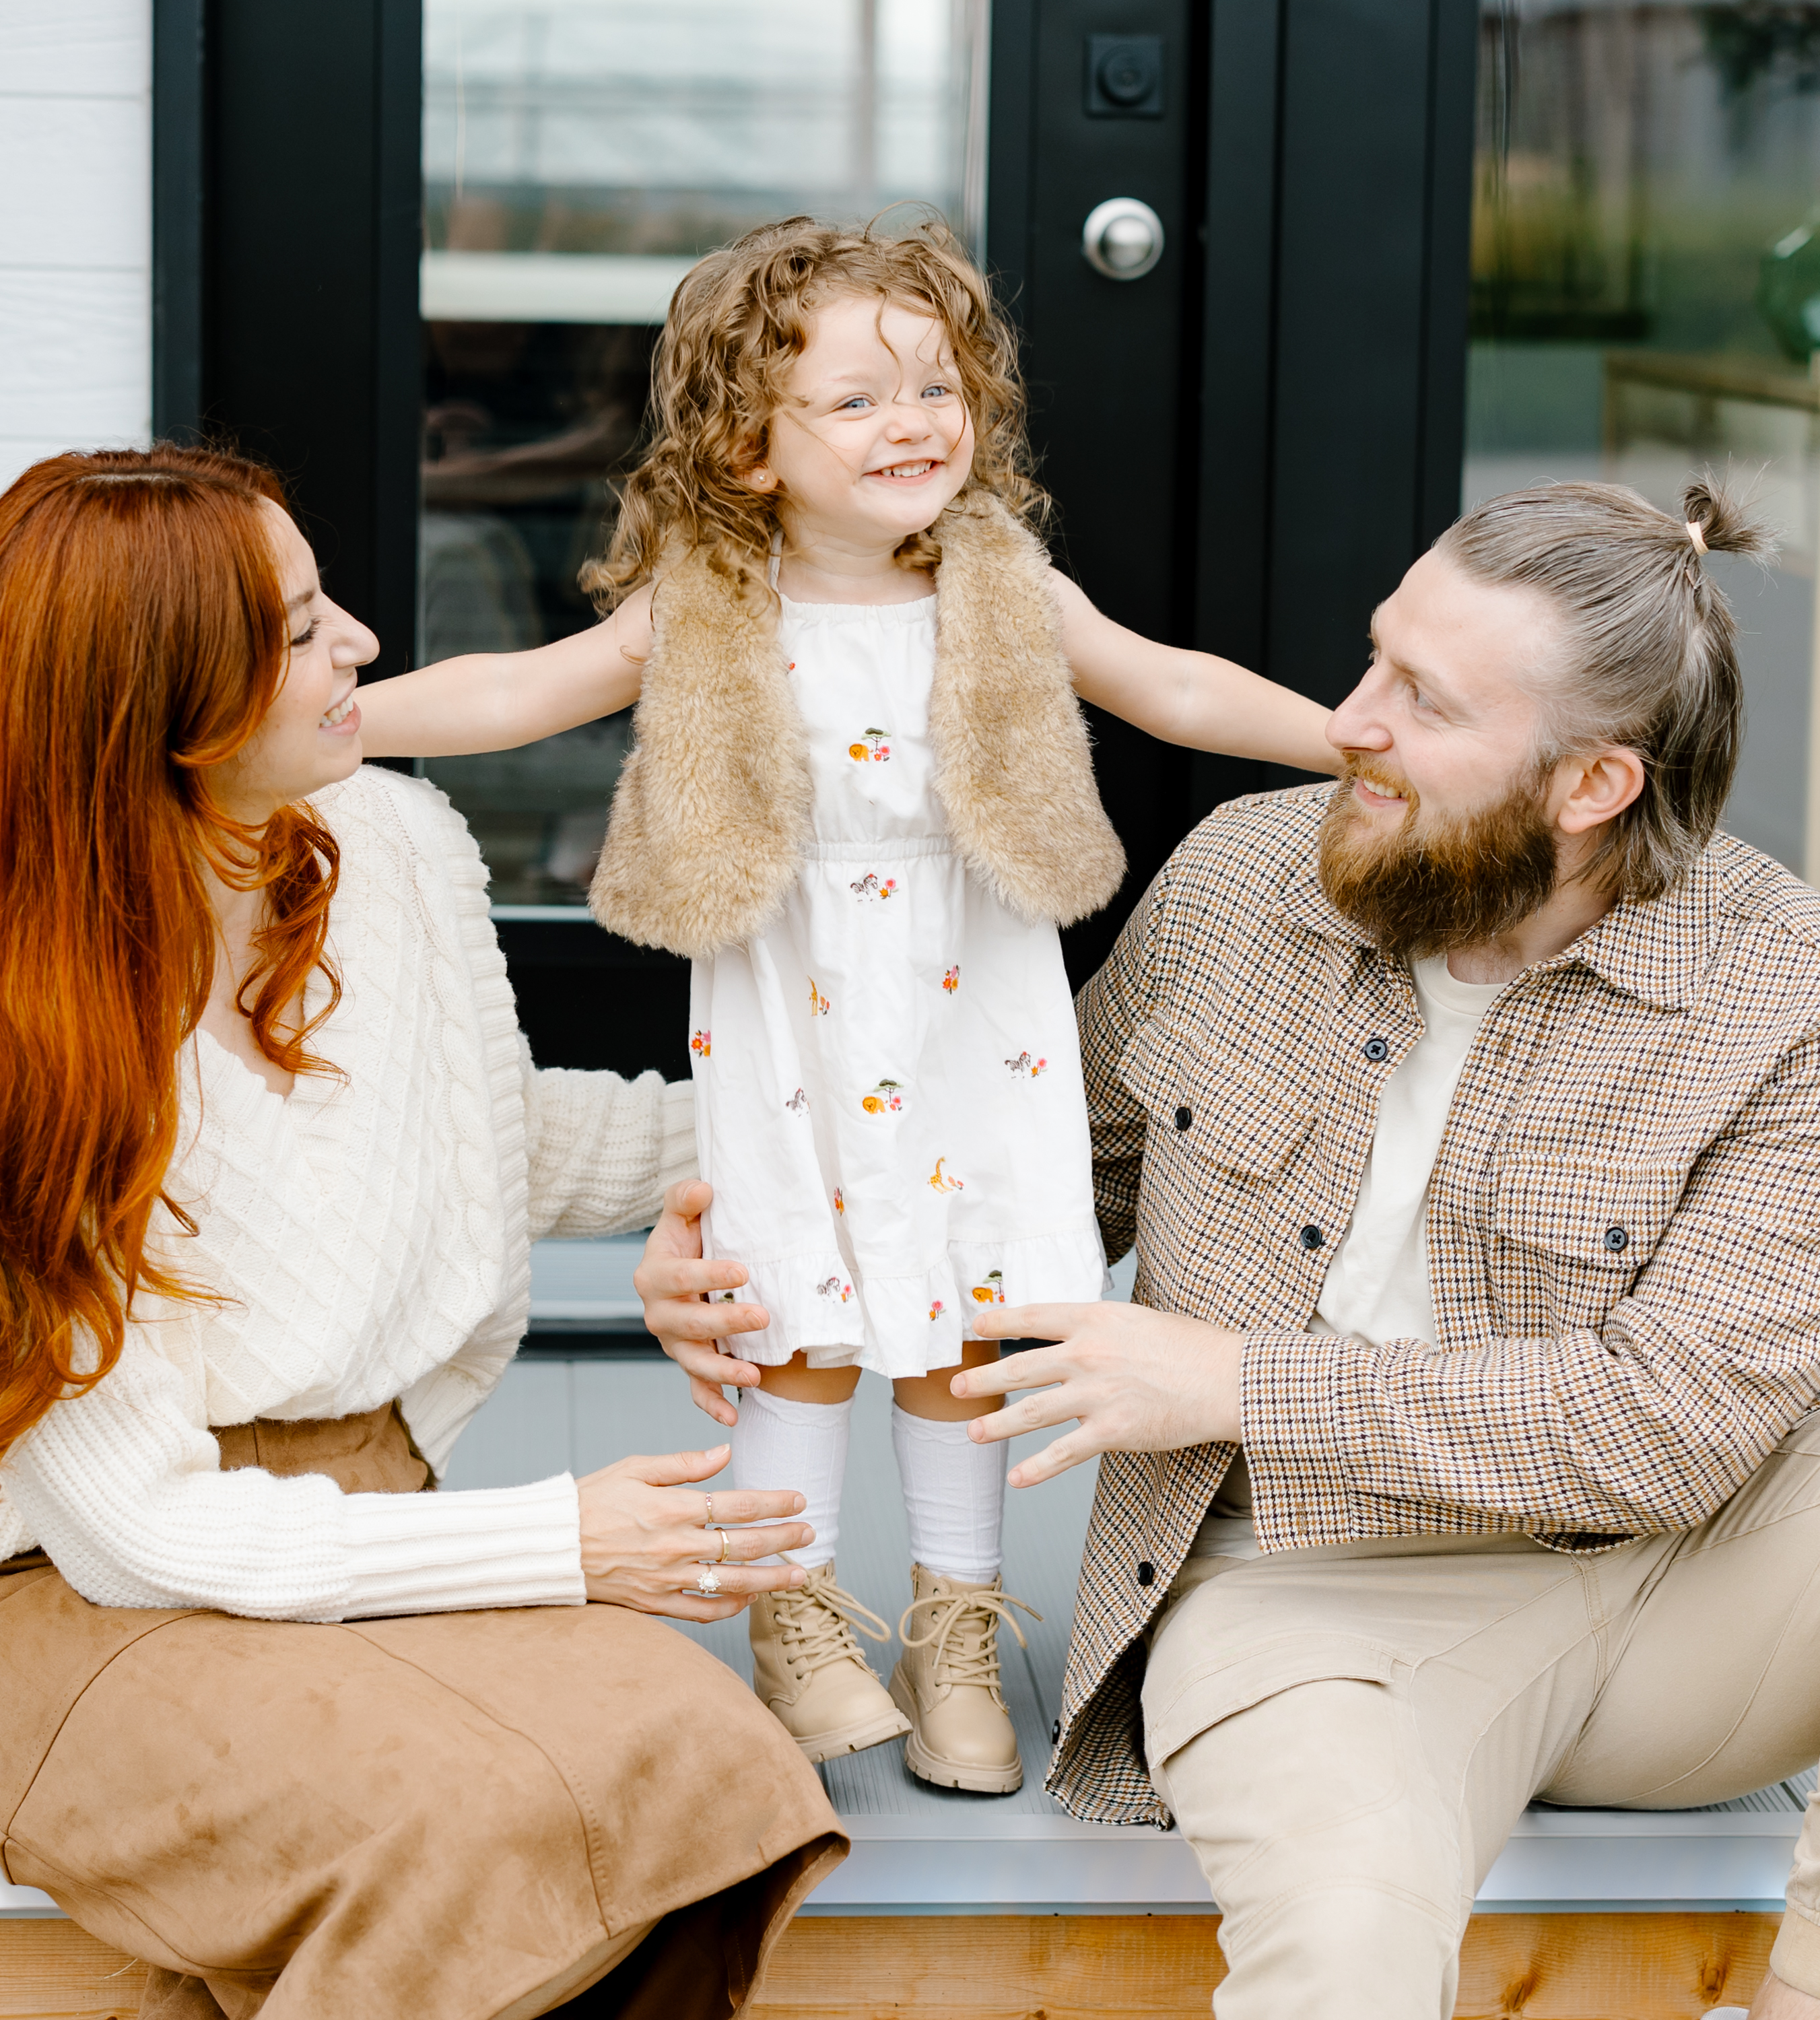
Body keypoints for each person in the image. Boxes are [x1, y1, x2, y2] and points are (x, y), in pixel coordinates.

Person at [640, 479, 1820, 2020]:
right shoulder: (1247, 876)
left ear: (1591, 786)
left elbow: (1675, 1429)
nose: (1348, 722)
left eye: (1421, 703)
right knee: (1342, 1971)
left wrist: (1245, 1385)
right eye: (1374, 659)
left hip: (1685, 1599)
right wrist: (770, 1254)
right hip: (1297, 1612)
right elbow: (1023, 1196)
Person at [0, 444, 843, 2020]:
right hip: (59, 1592)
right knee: (457, 1825)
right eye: (292, 628)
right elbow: (141, 1533)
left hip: (358, 1518)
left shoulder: (387, 846)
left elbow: (480, 1130)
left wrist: (804, 1157)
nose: (359, 643)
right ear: (151, 702)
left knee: (708, 1767)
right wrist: (566, 1541)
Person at [358, 216, 1338, 1793]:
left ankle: (955, 1623)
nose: (916, 427)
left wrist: (1350, 743)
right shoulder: (709, 599)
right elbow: (518, 688)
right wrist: (329, 721)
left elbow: (1173, 684)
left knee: (961, 1310)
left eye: (937, 389)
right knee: (794, 1308)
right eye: (860, 402)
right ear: (751, 445)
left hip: (973, 1015)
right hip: (794, 1017)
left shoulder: (1000, 585)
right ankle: (795, 1612)